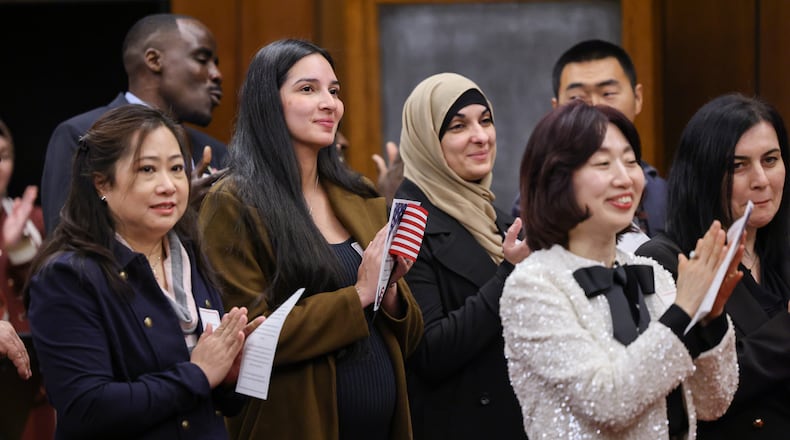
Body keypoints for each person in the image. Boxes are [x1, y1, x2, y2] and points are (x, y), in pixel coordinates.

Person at [198, 39, 423, 440]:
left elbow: (410, 339)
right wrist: (358, 295)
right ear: (269, 102)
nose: (329, 103)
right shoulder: (232, 203)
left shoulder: (361, 196)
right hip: (294, 424)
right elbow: (249, 337)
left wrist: (388, 292)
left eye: (334, 91)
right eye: (308, 89)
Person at [501, 101, 741, 439]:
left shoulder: (652, 272)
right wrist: (683, 309)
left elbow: (712, 402)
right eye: (603, 163)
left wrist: (709, 319)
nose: (625, 177)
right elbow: (609, 401)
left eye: (630, 161)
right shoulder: (533, 284)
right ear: (556, 179)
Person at [27, 105, 258, 439]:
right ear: (101, 184)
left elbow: (213, 401)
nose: (168, 185)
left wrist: (231, 374)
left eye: (177, 168)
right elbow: (86, 407)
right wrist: (199, 372)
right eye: (147, 170)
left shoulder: (190, 254)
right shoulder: (68, 276)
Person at [636, 94, 790, 438]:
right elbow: (700, 389)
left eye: (771, 160)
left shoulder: (780, 246)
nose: (761, 179)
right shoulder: (665, 260)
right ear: (703, 173)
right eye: (738, 166)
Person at [394, 73, 530, 439]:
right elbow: (430, 351)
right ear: (426, 140)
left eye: (485, 120)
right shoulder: (408, 223)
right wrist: (508, 275)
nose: (481, 136)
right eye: (458, 126)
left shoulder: (494, 218)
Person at [41, 13, 228, 234]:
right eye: (202, 58)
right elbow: (65, 240)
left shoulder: (215, 150)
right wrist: (182, 211)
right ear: (154, 60)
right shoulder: (83, 135)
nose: (217, 75)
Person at [511, 39, 668, 237]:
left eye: (608, 93)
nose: (595, 107)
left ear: (638, 98)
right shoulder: (537, 198)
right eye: (577, 98)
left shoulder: (665, 196)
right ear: (556, 108)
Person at [0, 119, 54, 440]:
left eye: (3, 156)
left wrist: (18, 245)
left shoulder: (32, 218)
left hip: (28, 374)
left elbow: (46, 293)